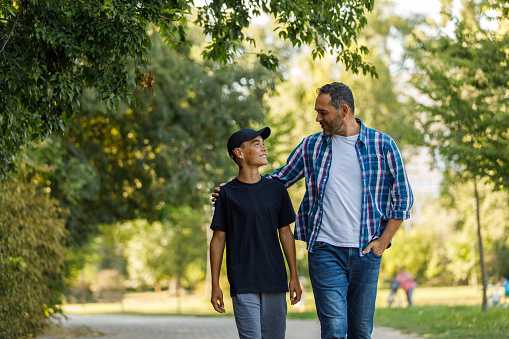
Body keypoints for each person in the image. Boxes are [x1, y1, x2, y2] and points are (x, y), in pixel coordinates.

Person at [213, 82, 413, 339]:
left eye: (323, 112)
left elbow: (403, 198)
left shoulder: (382, 145)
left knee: (361, 330)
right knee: (334, 329)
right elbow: (278, 180)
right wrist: (232, 191)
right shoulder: (312, 146)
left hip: (367, 251)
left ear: (343, 110)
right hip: (325, 249)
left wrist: (383, 242)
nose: (317, 118)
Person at [209, 127, 302, 339]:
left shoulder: (277, 190)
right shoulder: (227, 194)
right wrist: (215, 285)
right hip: (243, 281)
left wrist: (294, 276)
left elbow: (286, 234)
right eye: (256, 144)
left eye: (263, 143)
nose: (264, 147)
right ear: (239, 153)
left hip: (275, 279)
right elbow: (218, 240)